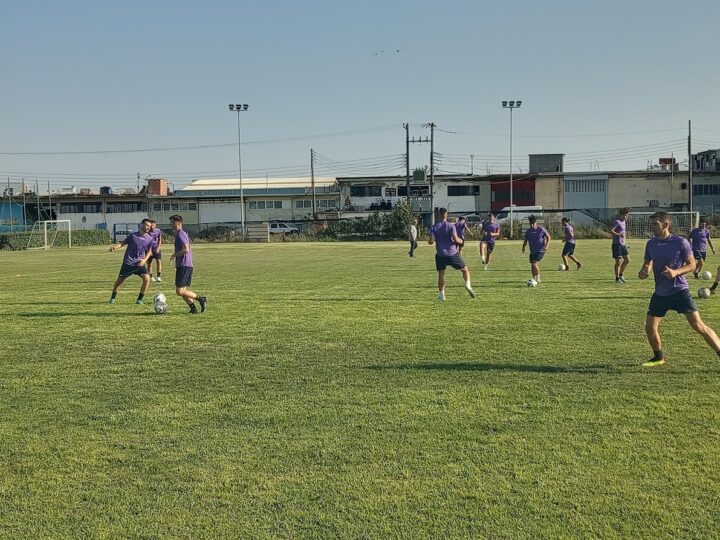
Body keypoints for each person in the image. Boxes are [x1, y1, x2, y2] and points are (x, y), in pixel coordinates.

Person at [638, 211, 720, 367]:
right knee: (650, 327)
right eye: (652, 224)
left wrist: (675, 272)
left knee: (698, 326)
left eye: (655, 224)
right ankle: (658, 357)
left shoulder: (681, 242)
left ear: (666, 224)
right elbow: (647, 264)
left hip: (679, 291)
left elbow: (692, 264)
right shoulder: (651, 244)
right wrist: (644, 272)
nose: (652, 227)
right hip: (660, 293)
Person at [428, 208, 475, 301]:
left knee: (441, 274)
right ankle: (468, 285)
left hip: (441, 254)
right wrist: (461, 241)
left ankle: (442, 295)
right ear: (446, 215)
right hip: (452, 253)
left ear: (439, 215)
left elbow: (430, 242)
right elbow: (456, 239)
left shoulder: (434, 227)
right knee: (465, 270)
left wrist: (432, 239)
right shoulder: (451, 226)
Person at [108, 218, 154, 305]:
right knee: (119, 281)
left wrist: (144, 260)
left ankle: (139, 300)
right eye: (147, 225)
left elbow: (149, 251)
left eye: (150, 226)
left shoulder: (149, 238)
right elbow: (122, 243)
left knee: (147, 279)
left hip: (139, 263)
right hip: (128, 263)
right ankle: (112, 299)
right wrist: (115, 247)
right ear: (142, 225)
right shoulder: (133, 236)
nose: (148, 227)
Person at [169, 215, 207, 314]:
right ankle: (193, 308)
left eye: (171, 222)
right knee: (183, 290)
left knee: (179, 291)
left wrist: (174, 255)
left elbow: (186, 249)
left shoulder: (180, 234)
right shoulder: (181, 233)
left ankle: (201, 299)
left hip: (184, 265)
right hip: (186, 265)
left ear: (177, 222)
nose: (170, 224)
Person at [521, 215, 550, 283]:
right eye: (530, 224)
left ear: (536, 223)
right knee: (532, 265)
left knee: (534, 263)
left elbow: (548, 237)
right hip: (532, 251)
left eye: (532, 224)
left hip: (541, 250)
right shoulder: (528, 231)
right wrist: (523, 248)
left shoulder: (541, 229)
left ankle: (538, 277)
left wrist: (546, 246)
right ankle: (534, 279)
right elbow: (525, 240)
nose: (531, 225)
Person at [611, 208, 630, 284]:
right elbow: (611, 231)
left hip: (623, 244)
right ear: (621, 215)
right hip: (616, 244)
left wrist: (625, 243)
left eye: (627, 215)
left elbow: (623, 233)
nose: (626, 217)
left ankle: (621, 275)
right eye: (625, 215)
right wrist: (618, 235)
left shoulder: (624, 222)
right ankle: (617, 279)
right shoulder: (617, 222)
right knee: (618, 262)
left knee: (627, 260)